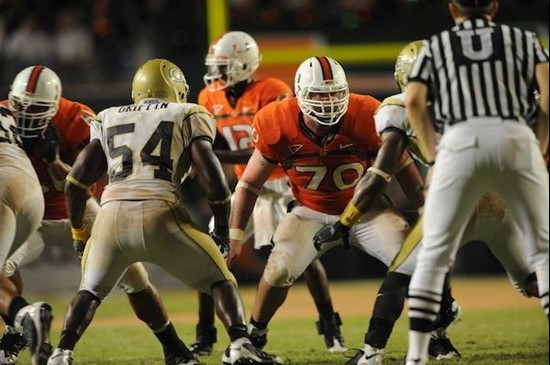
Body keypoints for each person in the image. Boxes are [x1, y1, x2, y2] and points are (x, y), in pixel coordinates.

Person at [316, 40, 541, 365]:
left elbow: (379, 176)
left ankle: (371, 354)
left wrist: (344, 223)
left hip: (456, 204)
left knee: (400, 275)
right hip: (503, 204)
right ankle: (441, 338)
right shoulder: (482, 95)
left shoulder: (398, 108)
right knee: (532, 281)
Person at [46, 58, 283, 365]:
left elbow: (75, 183)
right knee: (220, 280)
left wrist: (80, 233)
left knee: (89, 290)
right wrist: (223, 232)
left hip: (109, 217)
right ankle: (240, 344)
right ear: (176, 90)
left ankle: (61, 352)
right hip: (160, 212)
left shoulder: (108, 116)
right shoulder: (188, 113)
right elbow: (216, 185)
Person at [0, 66, 194, 365]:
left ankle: (171, 343)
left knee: (133, 275)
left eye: (37, 108)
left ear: (54, 104)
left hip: (74, 212)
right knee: (2, 268)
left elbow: (85, 185)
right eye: (19, 105)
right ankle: (17, 331)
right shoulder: (3, 115)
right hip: (31, 218)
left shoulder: (77, 119)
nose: (25, 113)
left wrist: (53, 161)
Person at [227, 55, 419, 351]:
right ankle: (255, 333)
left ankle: (436, 331)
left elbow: (403, 164)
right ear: (301, 93)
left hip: (365, 210)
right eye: (319, 93)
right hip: (308, 210)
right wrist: (236, 235)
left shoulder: (368, 112)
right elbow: (249, 184)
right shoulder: (276, 119)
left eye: (334, 92)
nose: (327, 101)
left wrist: (425, 210)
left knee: (415, 258)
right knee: (278, 269)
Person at [403, 0, 549, 363]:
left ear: (453, 9)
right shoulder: (524, 40)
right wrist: (539, 146)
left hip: (459, 140)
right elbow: (549, 96)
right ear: (494, 7)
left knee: (433, 254)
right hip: (516, 136)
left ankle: (417, 356)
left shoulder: (435, 45)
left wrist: (433, 154)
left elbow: (414, 101)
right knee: (544, 252)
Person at [192, 30, 346, 355]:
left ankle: (331, 327)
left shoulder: (273, 91)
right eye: (215, 66)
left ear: (244, 63)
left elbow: (267, 150)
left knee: (302, 255)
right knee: (210, 255)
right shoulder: (208, 97)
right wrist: (203, 154)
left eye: (224, 66)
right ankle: (205, 334)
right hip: (246, 188)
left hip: (279, 183)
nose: (217, 73)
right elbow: (214, 144)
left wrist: (210, 158)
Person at [0, 106, 53, 365]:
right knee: (4, 269)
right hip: (32, 193)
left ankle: (25, 316)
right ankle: (16, 334)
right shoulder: (6, 110)